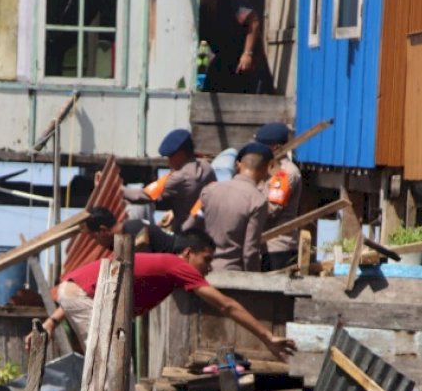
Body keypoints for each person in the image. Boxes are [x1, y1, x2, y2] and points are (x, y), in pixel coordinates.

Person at [26, 229, 296, 360]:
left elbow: (86, 289)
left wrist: (52, 322)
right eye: (207, 258)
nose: (210, 266)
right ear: (189, 253)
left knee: (111, 368)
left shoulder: (168, 268)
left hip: (78, 294)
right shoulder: (177, 265)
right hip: (80, 296)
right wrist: (267, 336)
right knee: (110, 368)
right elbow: (225, 305)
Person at [122, 129, 216, 233]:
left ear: (180, 154)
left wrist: (118, 188)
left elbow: (142, 196)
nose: (169, 161)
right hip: (210, 229)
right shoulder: (206, 166)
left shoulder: (178, 177)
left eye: (170, 156)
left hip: (188, 234)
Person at [200, 142, 271, 272]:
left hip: (204, 269)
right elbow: (249, 251)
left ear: (239, 165)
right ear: (266, 169)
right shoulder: (257, 201)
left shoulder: (210, 190)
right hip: (232, 272)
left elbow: (193, 224)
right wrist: (254, 280)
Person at [199, 0, 274, 94]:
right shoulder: (201, 12)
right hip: (224, 58)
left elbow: (254, 21)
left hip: (246, 58)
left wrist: (247, 53)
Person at [255, 122, 303, 271]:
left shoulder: (285, 173)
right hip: (264, 246)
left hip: (278, 248)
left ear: (275, 147)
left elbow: (271, 209)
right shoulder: (268, 169)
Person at [82, 206, 177, 253]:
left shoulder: (132, 235)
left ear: (103, 230)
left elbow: (147, 268)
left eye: (94, 238)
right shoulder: (128, 229)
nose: (96, 242)